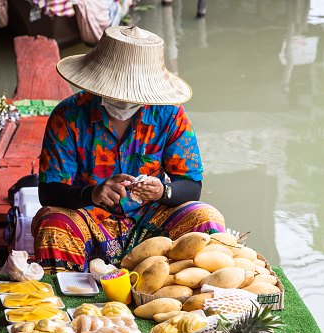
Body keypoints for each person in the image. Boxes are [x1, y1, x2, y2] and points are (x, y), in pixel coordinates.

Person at [32, 25, 225, 273]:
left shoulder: (170, 113)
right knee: (52, 223)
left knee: (206, 218)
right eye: (115, 92)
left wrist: (162, 192)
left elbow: (191, 187)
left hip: (152, 221)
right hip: (89, 220)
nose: (124, 101)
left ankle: (183, 298)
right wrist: (91, 194)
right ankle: (67, 300)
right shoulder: (68, 115)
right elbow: (49, 193)